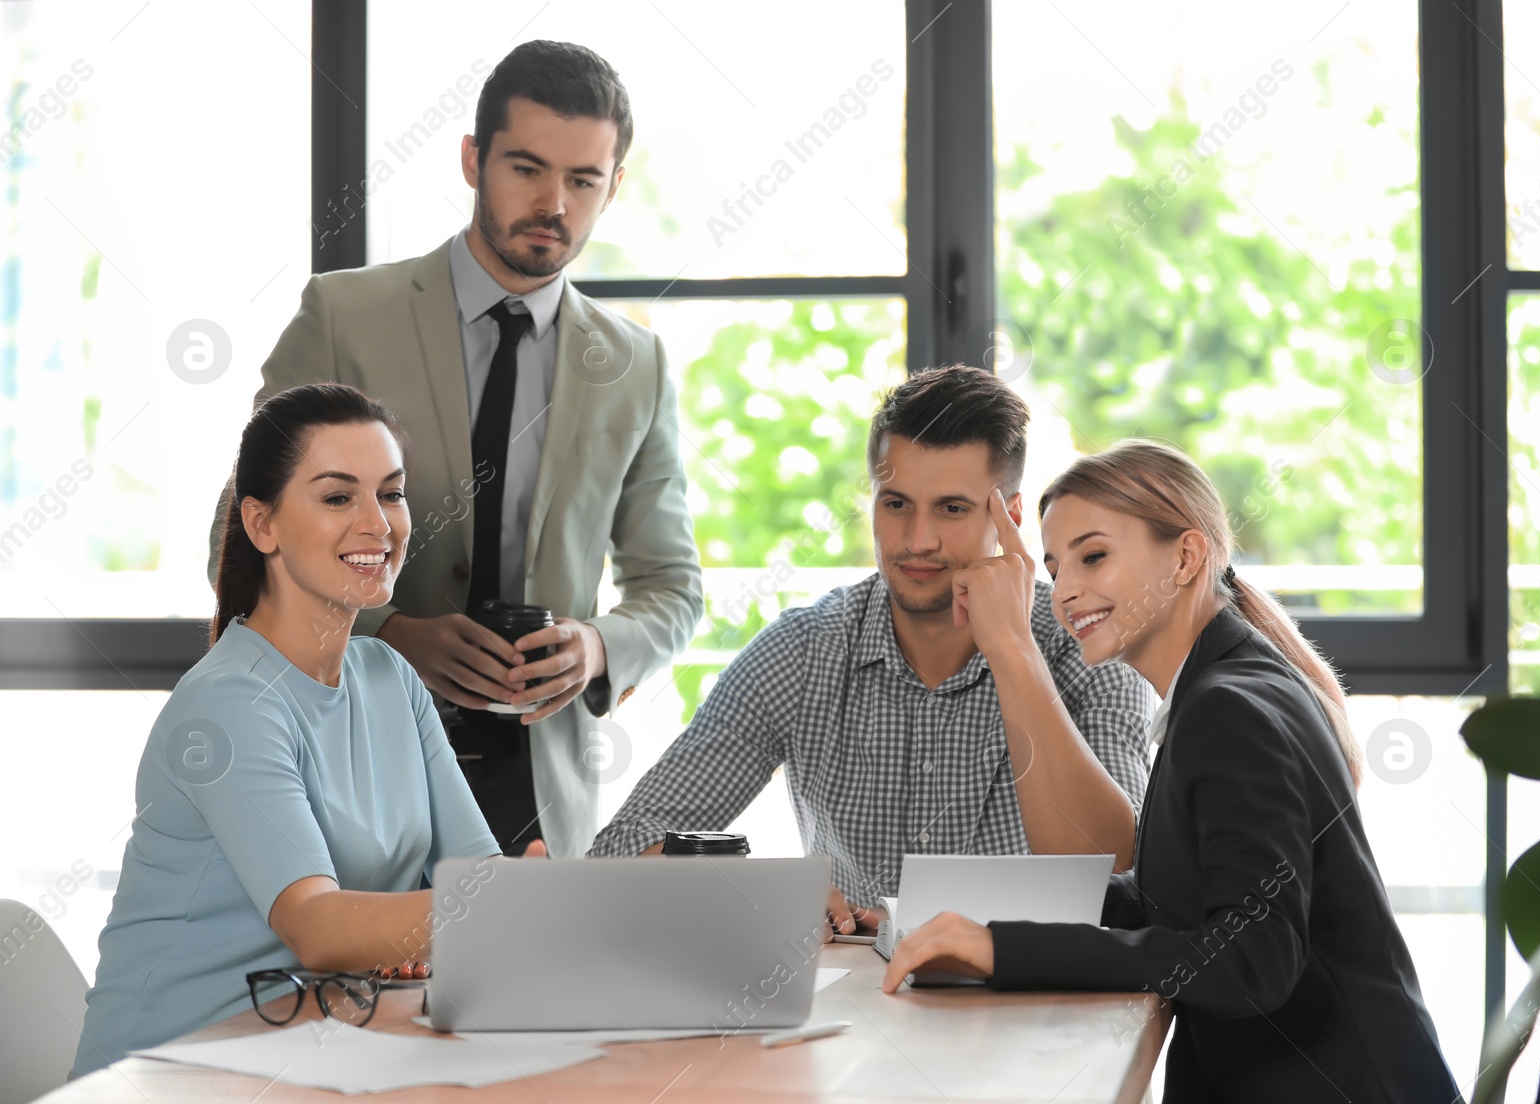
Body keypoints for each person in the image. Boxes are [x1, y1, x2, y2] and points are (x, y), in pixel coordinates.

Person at [206, 40, 701, 859]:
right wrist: (392, 628)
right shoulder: (343, 315)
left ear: (614, 186)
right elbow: (241, 525)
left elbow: (673, 588)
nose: (553, 203)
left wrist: (596, 646)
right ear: (473, 160)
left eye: (583, 180)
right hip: (348, 748)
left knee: (535, 988)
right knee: (363, 982)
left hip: (538, 781)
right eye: (526, 168)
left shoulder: (635, 365)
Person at [882, 439, 1460, 1103]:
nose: (1065, 590)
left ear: (1185, 557)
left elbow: (1250, 962)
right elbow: (1170, 899)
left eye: (1093, 555)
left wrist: (1003, 949)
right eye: (1054, 565)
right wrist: (933, 914)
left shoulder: (1227, 709)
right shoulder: (1222, 688)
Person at [589, 366, 1154, 936]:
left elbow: (1120, 874)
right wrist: (761, 896)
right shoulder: (803, 651)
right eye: (897, 504)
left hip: (1047, 1008)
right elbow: (621, 849)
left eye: (951, 509)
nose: (917, 540)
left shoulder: (1090, 646)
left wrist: (1012, 651)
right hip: (858, 1011)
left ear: (1008, 517)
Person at [74, 385, 501, 1074]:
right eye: (339, 497)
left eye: (390, 494)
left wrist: (530, 902)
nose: (379, 524)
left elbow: (478, 876)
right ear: (261, 524)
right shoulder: (230, 705)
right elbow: (320, 928)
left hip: (309, 1056)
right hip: (167, 1074)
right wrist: (517, 910)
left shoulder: (389, 677)